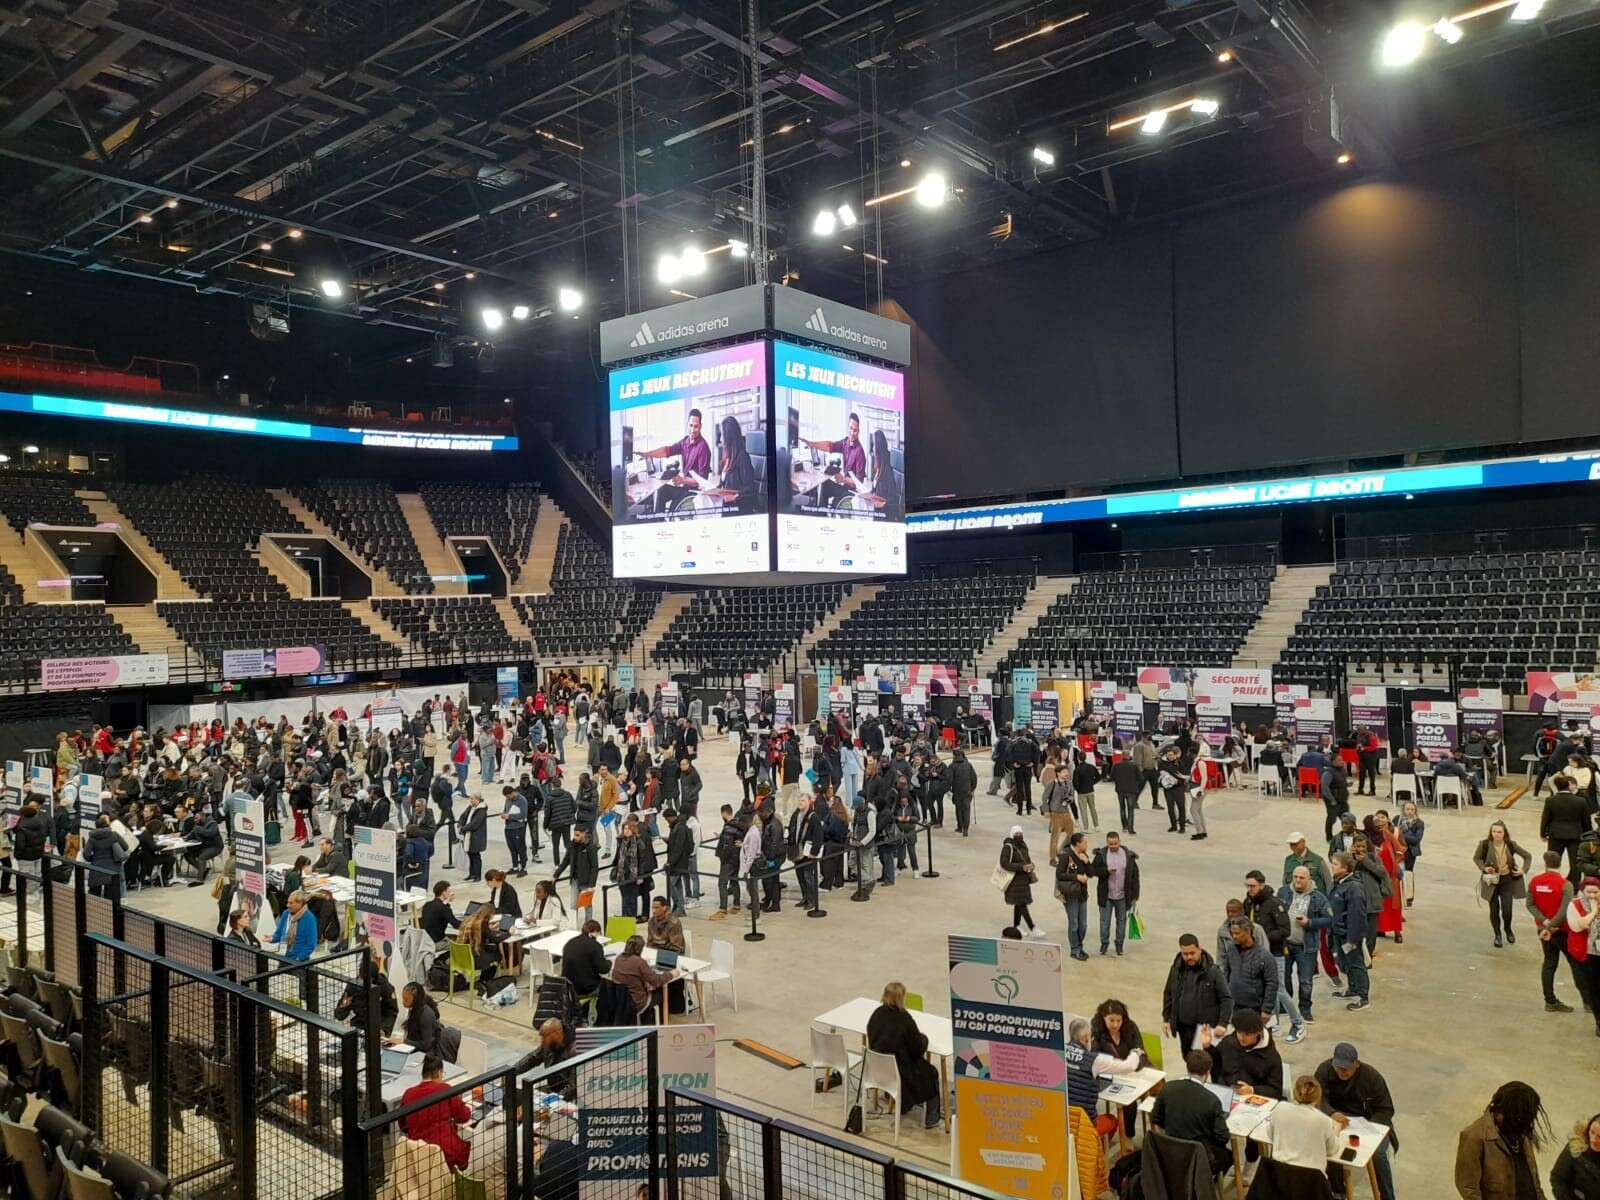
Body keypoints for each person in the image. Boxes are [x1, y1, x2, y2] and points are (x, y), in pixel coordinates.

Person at [1315, 1043, 1397, 1200]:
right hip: (1337, 1118)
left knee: (1378, 1154)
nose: (1341, 1072)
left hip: (1369, 1122)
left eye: (1346, 1069)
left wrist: (1370, 1128)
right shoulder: (1324, 1070)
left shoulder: (1372, 1077)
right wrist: (1332, 1113)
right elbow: (1318, 1098)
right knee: (1329, 1145)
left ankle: (1387, 1196)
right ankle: (1337, 1191)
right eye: (1338, 1068)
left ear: (1356, 1064)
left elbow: (1386, 1109)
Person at [1454, 1081, 1549, 1200]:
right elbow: (1468, 1188)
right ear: (1500, 1111)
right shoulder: (1475, 1137)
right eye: (1516, 1118)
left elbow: (1533, 1181)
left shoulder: (1520, 1131)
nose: (1520, 1123)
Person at [867, 982, 943, 1129]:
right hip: (900, 1071)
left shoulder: (876, 1014)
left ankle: (896, 1098)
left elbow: (872, 1037)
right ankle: (932, 1117)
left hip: (879, 1069)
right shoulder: (904, 1018)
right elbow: (916, 1049)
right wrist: (924, 1039)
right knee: (931, 1073)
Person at [1150, 1049, 1232, 1176]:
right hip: (1199, 1159)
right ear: (1207, 1073)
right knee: (1228, 1156)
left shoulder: (1168, 1088)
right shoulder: (1212, 1100)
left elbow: (1156, 1119)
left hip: (1170, 1152)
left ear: (1187, 1067)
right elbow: (1222, 1137)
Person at [1244, 868, 1304, 1043]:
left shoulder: (1274, 904)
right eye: (1247, 886)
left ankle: (1298, 1023)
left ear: (1262, 885)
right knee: (1266, 991)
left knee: (1279, 990)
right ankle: (1274, 1023)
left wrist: (1261, 939)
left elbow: (1285, 930)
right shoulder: (1248, 903)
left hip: (1275, 954)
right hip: (1255, 955)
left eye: (1253, 886)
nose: (1249, 889)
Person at [1527, 850, 1585, 1013]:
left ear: (1546, 864)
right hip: (1562, 931)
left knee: (1549, 963)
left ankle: (1550, 1001)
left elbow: (1530, 904)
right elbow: (1564, 910)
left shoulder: (1535, 881)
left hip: (1543, 930)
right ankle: (1588, 1001)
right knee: (1576, 964)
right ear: (1560, 864)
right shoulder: (1565, 884)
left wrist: (1545, 923)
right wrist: (1553, 926)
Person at [1279, 865, 1333, 1026]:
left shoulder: (1319, 898)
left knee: (1305, 980)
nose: (1297, 880)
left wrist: (1310, 922)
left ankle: (1305, 1009)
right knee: (1284, 976)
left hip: (1306, 947)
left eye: (1301, 878)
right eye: (1295, 877)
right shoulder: (1283, 892)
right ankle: (1285, 1006)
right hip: (1286, 945)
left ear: (1309, 879)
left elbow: (1330, 919)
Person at [1162, 933, 1233, 1053]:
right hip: (1184, 1028)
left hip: (1204, 1029)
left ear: (1200, 949)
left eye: (1192, 953)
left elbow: (1226, 998)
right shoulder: (1176, 969)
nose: (1189, 957)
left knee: (1207, 1062)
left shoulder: (1213, 971)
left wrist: (1223, 1023)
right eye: (1185, 954)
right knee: (1189, 1059)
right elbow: (1168, 993)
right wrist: (1166, 1018)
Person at [399, 1055, 471, 1171]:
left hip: (416, 1155)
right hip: (445, 1153)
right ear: (439, 1072)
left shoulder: (408, 1094)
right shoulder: (444, 1089)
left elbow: (403, 1126)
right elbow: (464, 1117)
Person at [1063, 1016, 1141, 1119]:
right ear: (1086, 1039)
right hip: (1086, 1124)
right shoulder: (1094, 1060)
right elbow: (1129, 1066)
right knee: (1111, 1120)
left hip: (1063, 1119)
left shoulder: (1059, 1052)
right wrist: (1135, 1053)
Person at [1475, 820, 1535, 949]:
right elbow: (1477, 858)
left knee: (1507, 910)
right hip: (1491, 881)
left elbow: (1527, 856)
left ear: (1504, 833)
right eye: (1494, 831)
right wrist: (1484, 868)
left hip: (1507, 880)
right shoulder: (1484, 844)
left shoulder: (1511, 845)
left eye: (1499, 832)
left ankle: (1507, 928)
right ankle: (1497, 934)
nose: (1496, 834)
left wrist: (1523, 870)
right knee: (1494, 909)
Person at [1264, 1075, 1341, 1171]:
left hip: (1279, 1175)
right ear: (1318, 1097)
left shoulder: (1280, 1107)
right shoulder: (1324, 1120)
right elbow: (1331, 1150)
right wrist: (1336, 1131)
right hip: (1311, 1179)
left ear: (1294, 1092)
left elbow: (1271, 1135)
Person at [1328, 852, 1371, 1010]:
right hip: (1339, 933)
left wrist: (1353, 939)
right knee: (1345, 963)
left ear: (1346, 868)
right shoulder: (1339, 883)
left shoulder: (1354, 888)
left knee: (1356, 964)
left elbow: (1357, 915)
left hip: (1349, 935)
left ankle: (1363, 997)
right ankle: (1352, 988)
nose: (1332, 866)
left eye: (1335, 864)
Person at [1211, 1009, 1284, 1099]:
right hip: (1226, 1094)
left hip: (1253, 1101)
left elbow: (1276, 1091)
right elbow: (1214, 1065)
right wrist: (1208, 1048)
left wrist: (1252, 1090)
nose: (1242, 1037)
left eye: (1247, 1034)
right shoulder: (1228, 1043)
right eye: (1239, 1032)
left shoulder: (1272, 1057)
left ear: (1258, 1033)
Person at [1221, 915, 1279, 1026]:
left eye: (1237, 933)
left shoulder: (1264, 956)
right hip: (1236, 1007)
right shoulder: (1231, 950)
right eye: (1232, 933)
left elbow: (1272, 984)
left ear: (1248, 931)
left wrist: (1267, 1010)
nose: (1234, 937)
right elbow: (1227, 973)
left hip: (1256, 1009)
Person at [1091, 831, 1139, 957]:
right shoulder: (1101, 855)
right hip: (1106, 896)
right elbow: (1092, 871)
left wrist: (1134, 897)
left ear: (1119, 841)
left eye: (1115, 843)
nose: (1113, 846)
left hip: (1123, 896)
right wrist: (1105, 871)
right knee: (1104, 922)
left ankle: (1119, 945)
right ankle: (1104, 943)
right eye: (1110, 844)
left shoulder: (1128, 856)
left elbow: (1135, 878)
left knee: (1121, 922)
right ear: (1107, 843)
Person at [610, 935, 677, 1021]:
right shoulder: (640, 963)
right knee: (663, 992)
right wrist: (671, 974)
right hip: (638, 1003)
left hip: (621, 1001)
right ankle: (660, 1023)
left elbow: (630, 976)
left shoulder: (619, 958)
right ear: (641, 949)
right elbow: (656, 981)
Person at [1564, 876, 1600, 1039]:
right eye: (1589, 892)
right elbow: (1578, 926)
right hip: (1586, 955)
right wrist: (1593, 911)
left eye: (1596, 892)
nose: (1592, 895)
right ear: (1582, 891)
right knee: (1594, 990)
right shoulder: (1574, 905)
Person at [1541, 777, 1590, 880]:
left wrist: (1543, 833)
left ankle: (1551, 882)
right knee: (1575, 863)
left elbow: (1545, 819)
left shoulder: (1550, 800)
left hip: (1556, 835)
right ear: (1568, 785)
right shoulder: (1581, 801)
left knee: (1552, 862)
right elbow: (1586, 821)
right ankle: (1574, 887)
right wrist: (1587, 835)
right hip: (1575, 835)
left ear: (1557, 787)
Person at [1055, 832, 1093, 961]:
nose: (1086, 844)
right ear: (1078, 844)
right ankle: (1075, 949)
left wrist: (1087, 862)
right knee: (1074, 924)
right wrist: (1076, 877)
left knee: (1083, 925)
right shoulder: (1066, 855)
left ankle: (1080, 947)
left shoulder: (1083, 854)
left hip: (1082, 894)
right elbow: (1059, 874)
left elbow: (1091, 873)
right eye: (1085, 842)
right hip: (1071, 894)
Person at [1000, 825, 1039, 937]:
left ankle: (1016, 926)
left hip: (1023, 880)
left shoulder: (1023, 845)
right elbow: (1004, 863)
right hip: (1014, 881)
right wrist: (1021, 867)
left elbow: (1026, 859)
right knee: (1022, 903)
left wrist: (1031, 865)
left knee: (1019, 904)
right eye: (1017, 834)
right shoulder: (1008, 847)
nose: (1019, 836)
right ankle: (1032, 927)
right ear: (1012, 835)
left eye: (1020, 833)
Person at [1551, 1112, 1600, 1200]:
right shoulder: (1576, 1146)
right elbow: (1558, 1179)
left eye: (1599, 1136)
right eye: (1592, 1132)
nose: (1593, 1139)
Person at [528, 1018, 577, 1101]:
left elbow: (573, 1086)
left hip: (569, 1097)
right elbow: (532, 1058)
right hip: (552, 1088)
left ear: (556, 1034)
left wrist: (551, 1101)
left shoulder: (574, 1051)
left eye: (545, 1036)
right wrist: (512, 1071)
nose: (542, 1040)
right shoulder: (549, 1045)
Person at [560, 919, 609, 1001]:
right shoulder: (595, 946)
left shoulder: (570, 942)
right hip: (585, 989)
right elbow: (604, 970)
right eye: (598, 933)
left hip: (568, 987)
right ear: (593, 932)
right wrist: (609, 962)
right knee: (609, 985)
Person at [269, 890, 319, 962]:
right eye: (288, 902)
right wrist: (272, 939)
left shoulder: (309, 918)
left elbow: (311, 944)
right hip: (283, 957)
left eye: (291, 903)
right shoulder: (285, 914)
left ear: (300, 903)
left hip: (298, 962)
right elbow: (279, 933)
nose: (287, 905)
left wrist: (298, 958)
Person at [1397, 802, 1425, 908]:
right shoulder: (1397, 819)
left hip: (1410, 851)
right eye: (1407, 809)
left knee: (1408, 873)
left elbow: (1416, 839)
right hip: (1397, 849)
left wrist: (1401, 835)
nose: (1410, 811)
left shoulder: (1419, 823)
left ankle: (1409, 898)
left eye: (1412, 809)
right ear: (1403, 810)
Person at [461, 793, 488, 882]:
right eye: (470, 799)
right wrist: (460, 824)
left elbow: (475, 823)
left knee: (476, 856)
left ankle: (477, 875)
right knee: (470, 855)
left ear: (478, 799)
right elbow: (463, 816)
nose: (471, 800)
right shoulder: (470, 807)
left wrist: (464, 828)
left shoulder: (481, 810)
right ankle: (472, 874)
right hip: (469, 835)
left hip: (476, 837)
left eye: (472, 799)